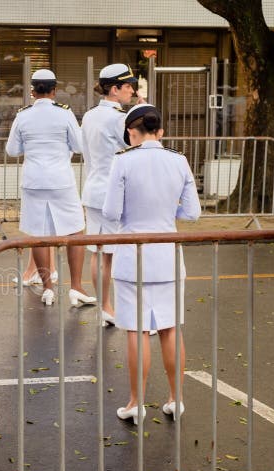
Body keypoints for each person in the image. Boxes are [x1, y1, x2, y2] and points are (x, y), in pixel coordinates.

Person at [102, 104, 201, 424]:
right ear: (159, 130)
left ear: (132, 131)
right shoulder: (179, 160)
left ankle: (136, 402)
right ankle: (176, 398)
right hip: (169, 253)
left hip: (134, 253)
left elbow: (111, 212)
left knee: (137, 330)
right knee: (171, 328)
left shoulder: (124, 161)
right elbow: (192, 213)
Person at [6, 69, 95, 307]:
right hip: (60, 180)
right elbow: (77, 146)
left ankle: (47, 288)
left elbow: (12, 150)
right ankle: (76, 286)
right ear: (55, 91)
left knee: (38, 234)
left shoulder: (23, 116)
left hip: (34, 180)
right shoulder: (63, 114)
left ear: (33, 91)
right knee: (76, 230)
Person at [81, 64, 140, 326]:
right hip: (113, 192)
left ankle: (104, 305)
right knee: (118, 253)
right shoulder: (118, 118)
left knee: (99, 252)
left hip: (93, 189)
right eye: (128, 86)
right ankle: (112, 306)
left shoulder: (90, 115)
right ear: (114, 89)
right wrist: (141, 113)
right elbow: (137, 146)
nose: (132, 91)